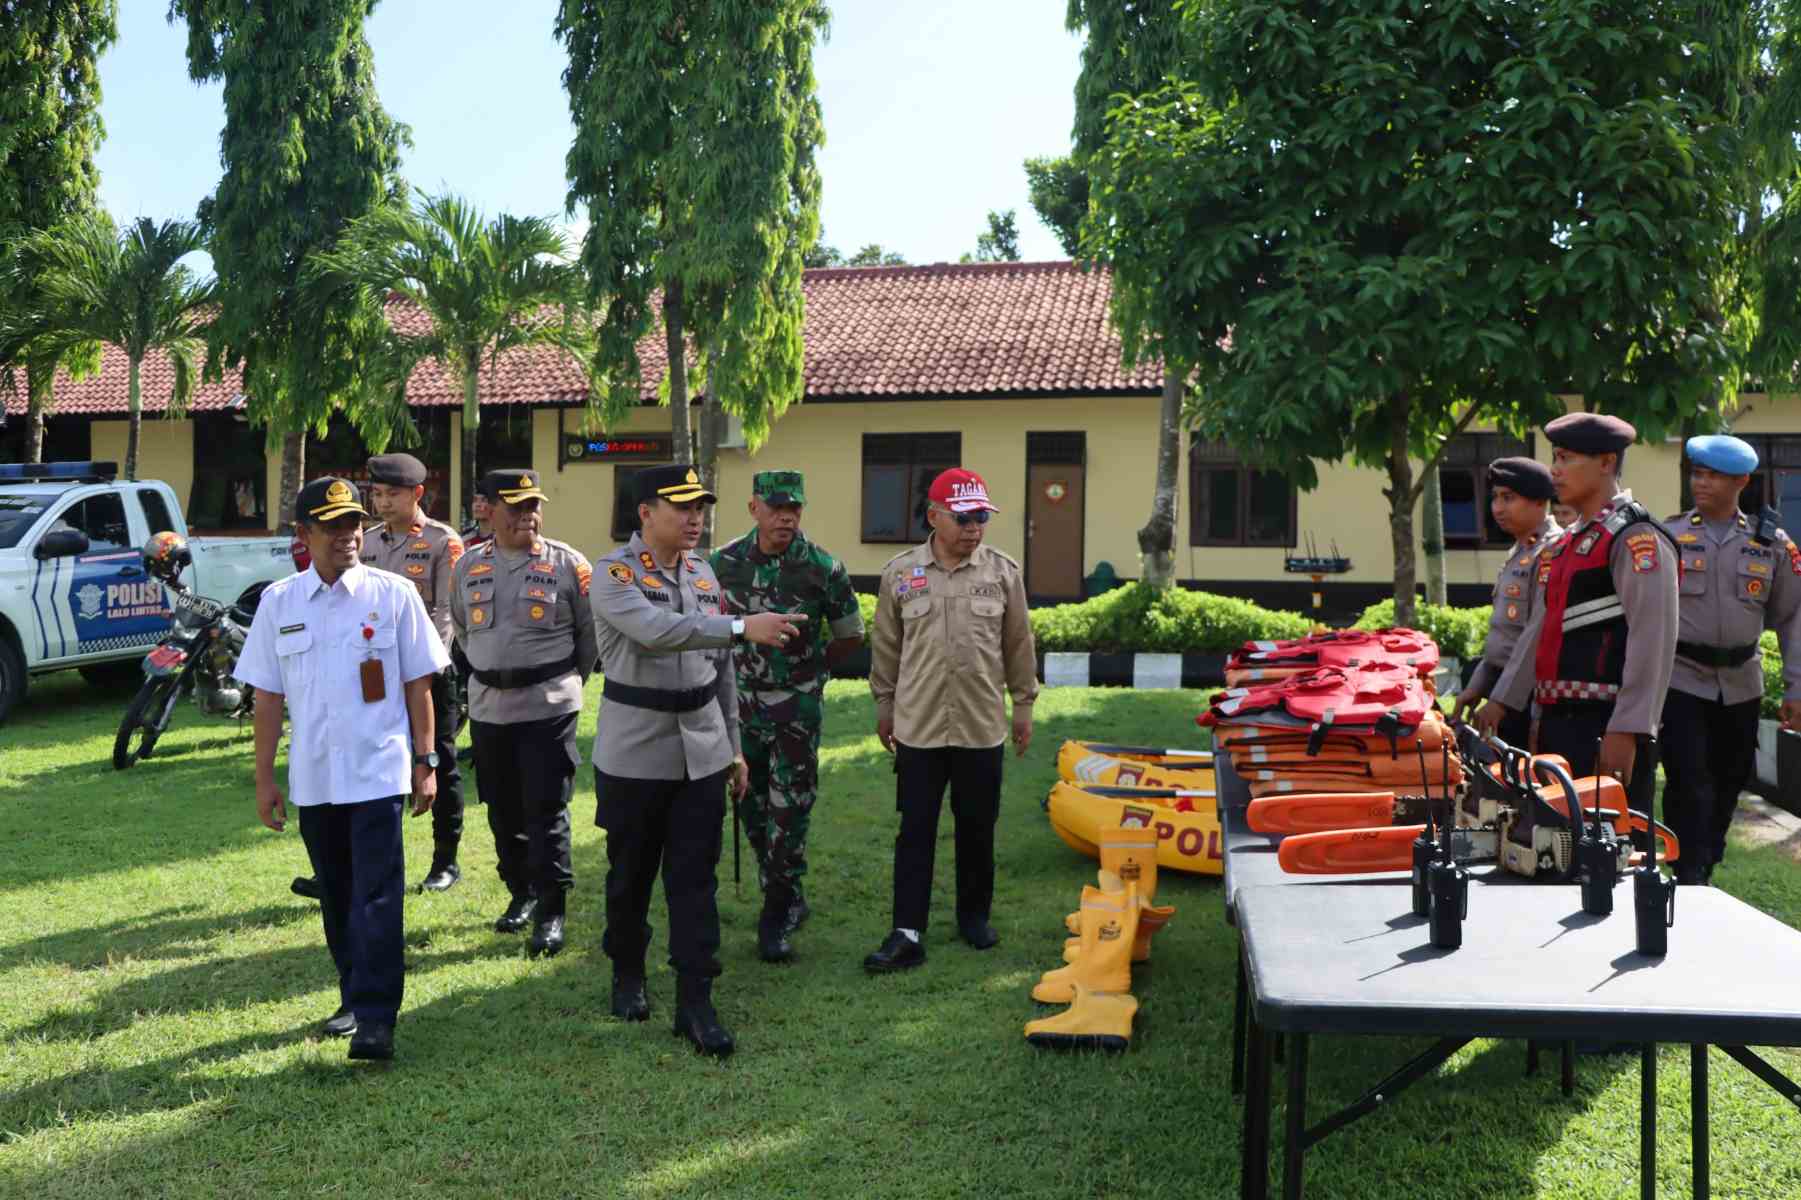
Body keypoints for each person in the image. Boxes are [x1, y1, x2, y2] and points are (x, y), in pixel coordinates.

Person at [589, 465, 804, 1057]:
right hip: (635, 752)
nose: (695, 518)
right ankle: (627, 972)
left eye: (700, 507)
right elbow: (657, 631)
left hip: (703, 750)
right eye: (681, 507)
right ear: (645, 513)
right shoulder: (613, 573)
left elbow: (721, 670)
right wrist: (740, 625)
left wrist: (732, 747)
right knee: (630, 876)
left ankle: (696, 1002)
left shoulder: (703, 573)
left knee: (695, 881)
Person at [235, 477, 448, 1061]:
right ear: (304, 534)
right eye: (332, 526)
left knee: (378, 895)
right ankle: (354, 995)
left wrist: (426, 762)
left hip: (378, 771)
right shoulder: (280, 602)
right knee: (336, 895)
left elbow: (419, 685)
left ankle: (377, 1018)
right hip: (315, 778)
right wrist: (264, 779)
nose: (348, 535)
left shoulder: (393, 594)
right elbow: (268, 698)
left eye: (353, 523)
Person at [864, 467, 1038, 973]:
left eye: (981, 516)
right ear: (933, 516)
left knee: (978, 827)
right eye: (963, 518)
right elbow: (887, 644)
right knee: (915, 829)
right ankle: (907, 929)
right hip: (918, 725)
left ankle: (973, 916)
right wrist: (884, 704)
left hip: (981, 724)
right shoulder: (900, 574)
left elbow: (1018, 643)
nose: (974, 527)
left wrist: (1024, 703)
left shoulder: (1003, 573)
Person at [1478, 414, 1679, 816]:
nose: (1555, 470)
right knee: (1552, 838)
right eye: (1555, 457)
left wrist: (1628, 728)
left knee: (1606, 842)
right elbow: (1538, 630)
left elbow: (1653, 639)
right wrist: (1502, 700)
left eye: (1566, 458)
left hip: (1604, 723)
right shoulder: (1567, 543)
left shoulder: (1634, 537)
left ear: (1606, 462)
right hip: (1556, 722)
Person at [711, 470, 865, 962]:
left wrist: (813, 668)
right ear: (754, 508)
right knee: (751, 803)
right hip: (741, 706)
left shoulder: (822, 567)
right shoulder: (722, 564)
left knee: (791, 808)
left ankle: (777, 912)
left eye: (794, 508)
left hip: (796, 707)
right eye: (776, 508)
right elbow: (706, 628)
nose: (786, 518)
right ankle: (782, 885)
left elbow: (850, 634)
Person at [449, 470, 598, 957]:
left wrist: (563, 682)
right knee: (501, 808)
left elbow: (589, 637)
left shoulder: (568, 564)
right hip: (490, 707)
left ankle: (552, 910)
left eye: (533, 506)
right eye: (515, 507)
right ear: (487, 509)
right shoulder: (468, 565)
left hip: (548, 705)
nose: (527, 516)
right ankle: (521, 892)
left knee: (546, 809)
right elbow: (463, 632)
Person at [1656, 435, 1801, 883]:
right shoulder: (1670, 536)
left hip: (1741, 683)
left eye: (1713, 476)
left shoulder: (1771, 544)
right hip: (1682, 678)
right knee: (1687, 776)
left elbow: (1792, 619)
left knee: (1729, 779)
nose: (1701, 482)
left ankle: (1706, 860)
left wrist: (1796, 686)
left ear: (1741, 481)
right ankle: (1688, 869)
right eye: (1697, 473)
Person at [361, 452, 467, 892]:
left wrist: (422, 663)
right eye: (378, 494)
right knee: (370, 758)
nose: (384, 503)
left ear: (418, 494)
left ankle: (445, 861)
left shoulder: (443, 542)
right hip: (373, 671)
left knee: (437, 758)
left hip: (427, 672)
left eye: (393, 494)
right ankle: (365, 861)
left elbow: (447, 612)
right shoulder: (366, 542)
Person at [1451, 456, 1560, 750]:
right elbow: (1503, 634)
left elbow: (1535, 636)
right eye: (1495, 497)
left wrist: (1501, 701)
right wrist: (1478, 685)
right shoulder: (1521, 550)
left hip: (1528, 696)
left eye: (1508, 498)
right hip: (1505, 687)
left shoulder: (1551, 551)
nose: (1498, 508)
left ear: (1540, 501)